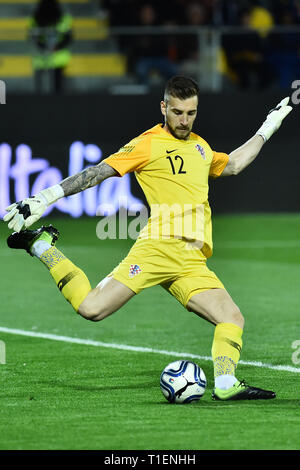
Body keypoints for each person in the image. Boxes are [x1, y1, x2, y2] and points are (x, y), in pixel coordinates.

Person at [4, 76, 292, 400]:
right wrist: (45, 197)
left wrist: (271, 123)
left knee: (231, 317)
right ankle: (42, 246)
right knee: (91, 308)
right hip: (158, 247)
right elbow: (97, 172)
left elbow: (235, 164)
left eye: (191, 113)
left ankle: (225, 383)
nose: (184, 120)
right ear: (163, 107)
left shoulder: (201, 146)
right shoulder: (148, 143)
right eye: (178, 112)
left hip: (192, 258)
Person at [29, 0, 73, 93]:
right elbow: (68, 37)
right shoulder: (64, 18)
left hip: (44, 56)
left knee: (41, 87)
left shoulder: (36, 18)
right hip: (56, 56)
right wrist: (56, 47)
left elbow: (33, 36)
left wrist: (44, 47)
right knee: (57, 86)